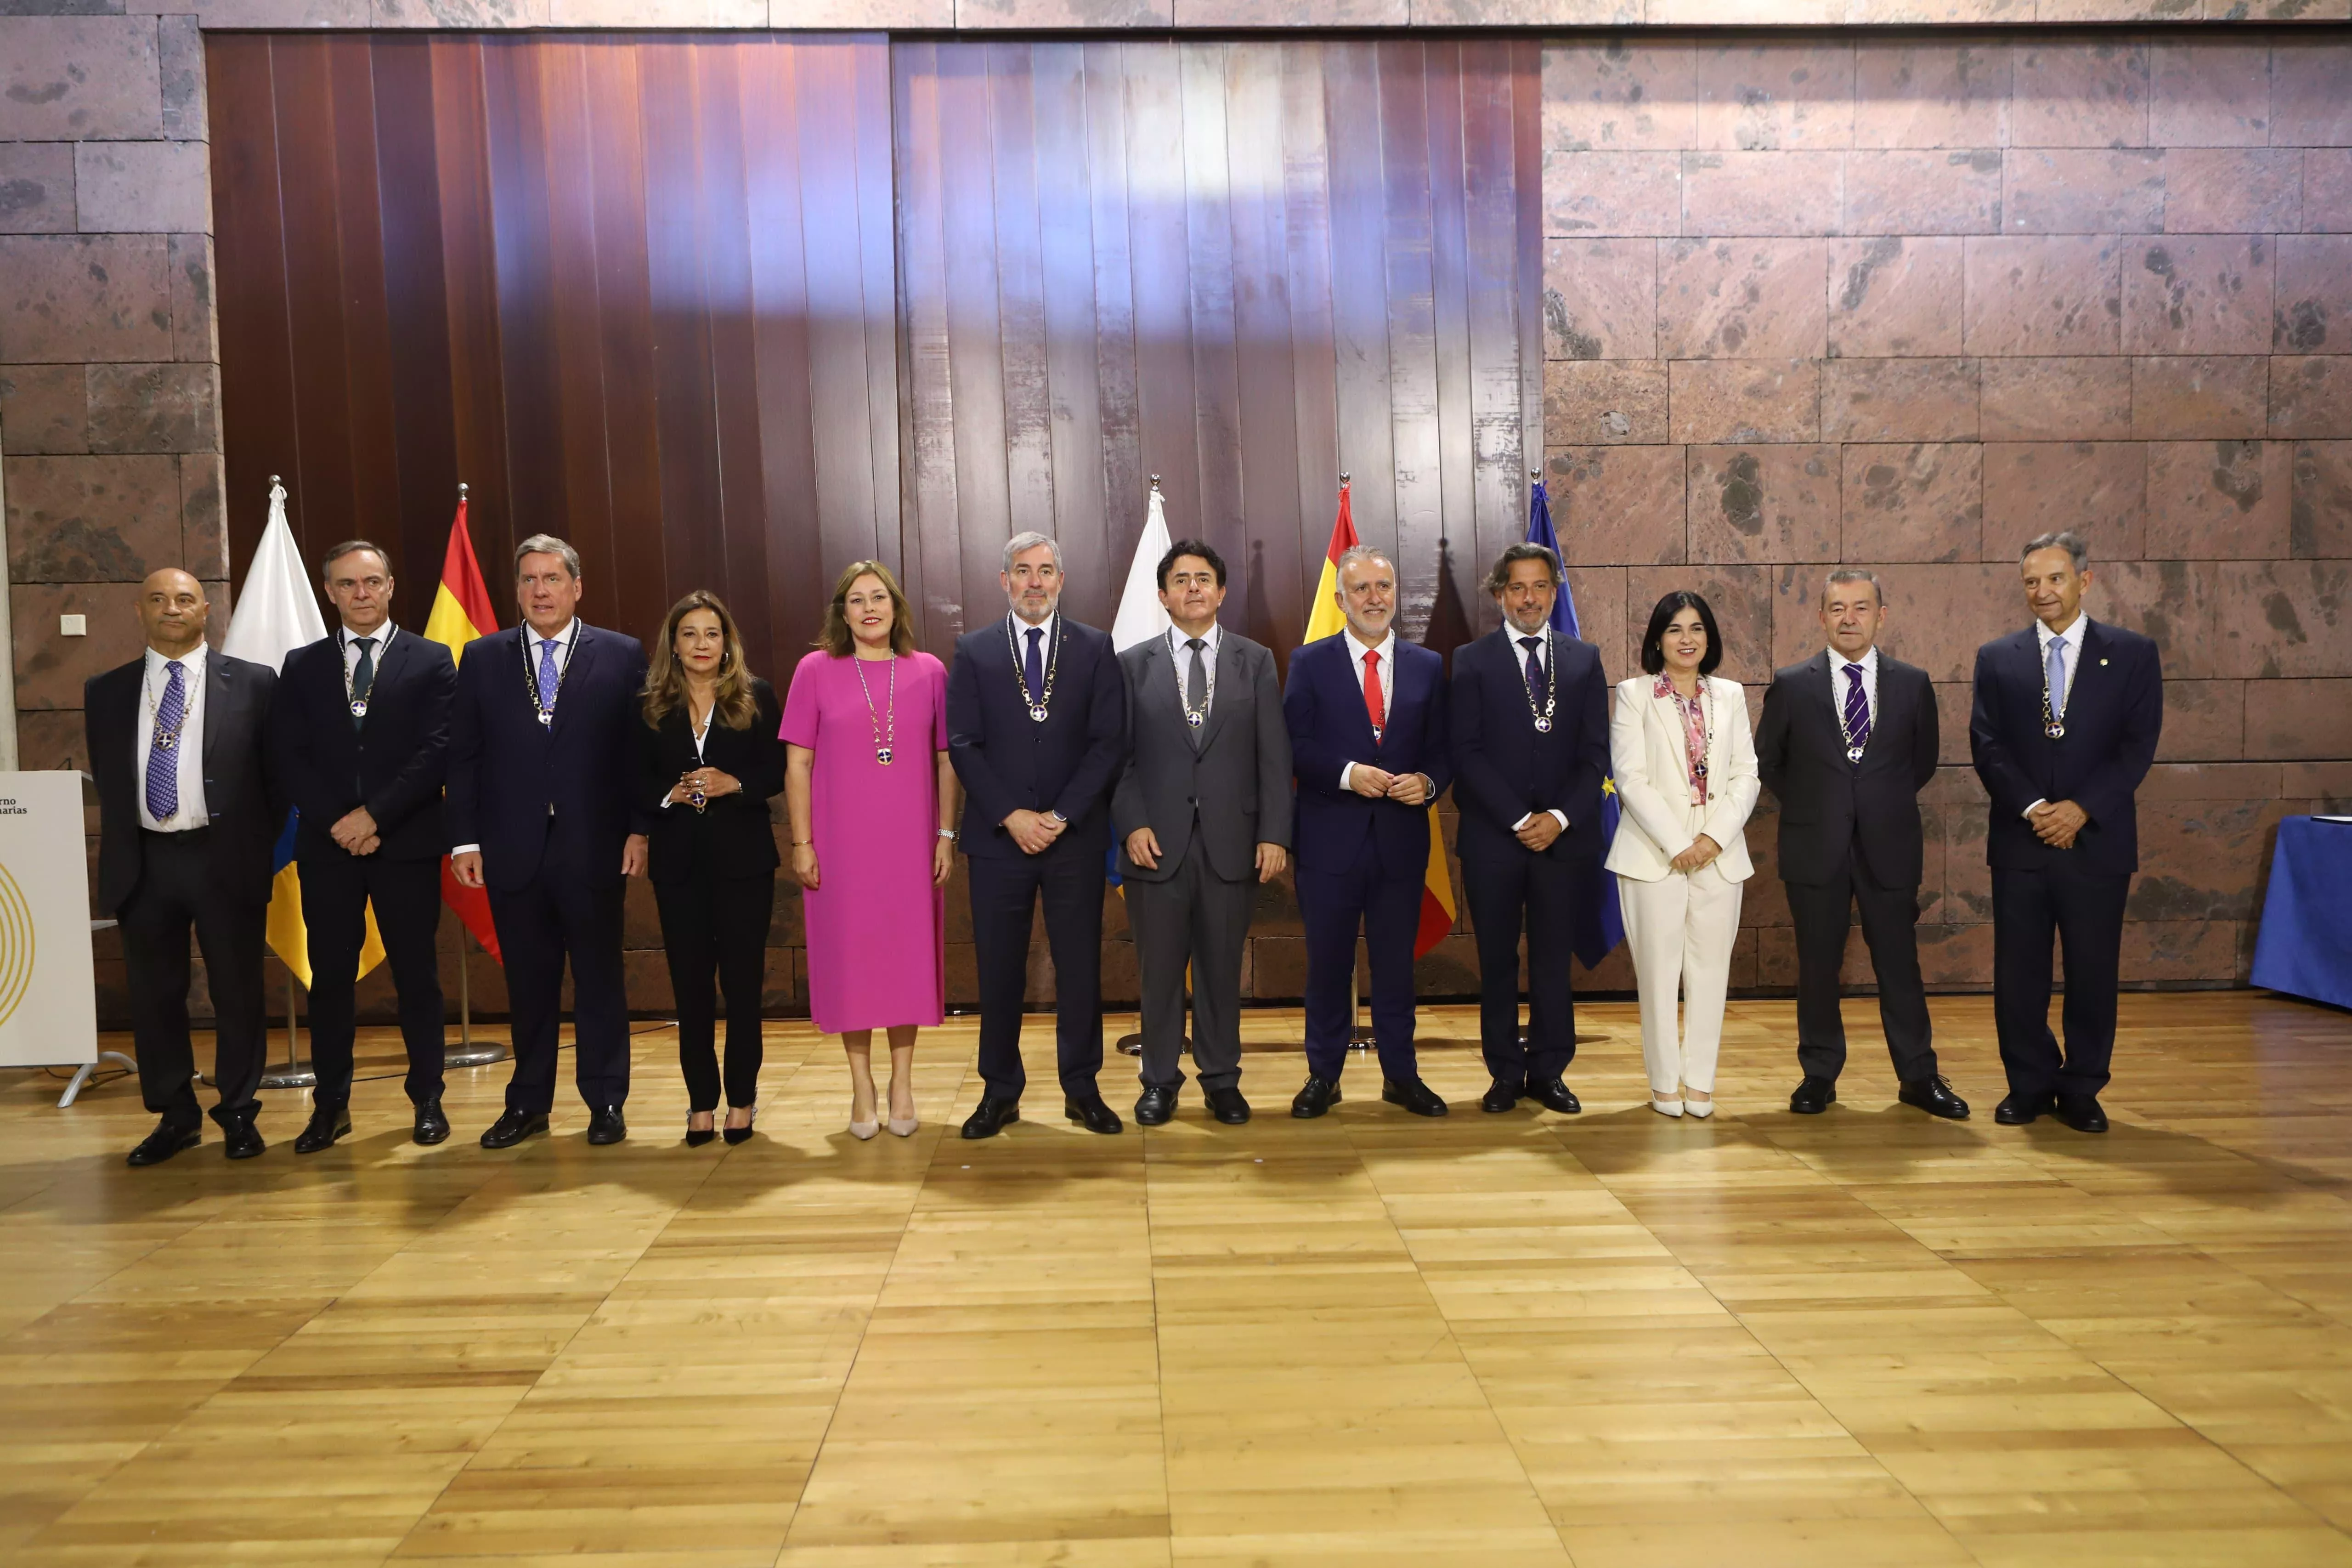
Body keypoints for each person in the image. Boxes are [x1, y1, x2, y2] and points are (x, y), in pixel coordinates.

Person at [447, 534, 650, 1149]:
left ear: (577, 587)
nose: (541, 590)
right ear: (517, 590)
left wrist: (640, 828)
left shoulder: (621, 654)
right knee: (529, 984)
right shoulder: (483, 658)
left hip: (595, 844)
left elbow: (637, 755)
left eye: (553, 578)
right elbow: (465, 757)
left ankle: (606, 1101)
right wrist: (464, 841)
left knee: (598, 980)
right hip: (512, 847)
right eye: (530, 580)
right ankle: (528, 1103)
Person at [1970, 530, 2162, 1135]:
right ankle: (2028, 1084)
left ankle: (2082, 1087)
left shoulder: (2132, 653)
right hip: (2021, 840)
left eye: (2054, 578)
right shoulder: (1997, 657)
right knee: (2019, 973)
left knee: (2092, 970)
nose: (2042, 591)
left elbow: (2137, 747)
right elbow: (1988, 743)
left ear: (2086, 579)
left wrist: (2080, 808)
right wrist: (2034, 807)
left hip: (2097, 841)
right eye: (2031, 581)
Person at [1756, 569, 1966, 1121]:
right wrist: (1818, 803)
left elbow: (1919, 763)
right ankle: (1818, 1073)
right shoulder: (1792, 682)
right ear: (1820, 616)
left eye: (1860, 607)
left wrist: (1871, 802)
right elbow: (1769, 761)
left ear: (1881, 615)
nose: (1848, 618)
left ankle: (1918, 1075)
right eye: (1837, 608)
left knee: (1899, 964)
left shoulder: (1912, 682)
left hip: (1888, 845)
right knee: (1817, 965)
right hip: (1813, 845)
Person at [87, 568, 281, 1165]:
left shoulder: (254, 683)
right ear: (139, 611)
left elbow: (275, 783)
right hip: (143, 861)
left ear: (206, 611)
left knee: (237, 991)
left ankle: (239, 1113)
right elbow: (114, 784)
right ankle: (175, 1116)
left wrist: (251, 843)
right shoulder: (107, 690)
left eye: (184, 598)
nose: (172, 607)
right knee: (154, 995)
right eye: (158, 598)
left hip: (224, 858)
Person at [270, 541, 458, 1153]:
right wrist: (340, 821)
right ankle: (331, 1106)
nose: (361, 594)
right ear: (329, 592)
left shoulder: (431, 660)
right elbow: (290, 757)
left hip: (404, 841)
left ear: (391, 585)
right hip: (329, 848)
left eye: (372, 581)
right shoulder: (301, 666)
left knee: (417, 976)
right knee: (329, 980)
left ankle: (427, 1098)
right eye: (348, 584)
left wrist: (375, 815)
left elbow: (437, 751)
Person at [946, 532, 1127, 1139]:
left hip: (1074, 838)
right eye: (1022, 571)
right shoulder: (973, 650)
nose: (1034, 582)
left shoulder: (1096, 648)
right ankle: (1000, 1091)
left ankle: (1083, 1088)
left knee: (1080, 967)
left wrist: (1062, 815)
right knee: (1000, 970)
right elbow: (963, 744)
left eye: (1046, 571)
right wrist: (1013, 816)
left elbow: (1108, 742)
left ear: (1061, 580)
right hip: (999, 840)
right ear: (1005, 581)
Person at [1113, 539, 1292, 1127]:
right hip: (1154, 845)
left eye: (1204, 578)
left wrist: (1274, 833)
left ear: (1221, 591)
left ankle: (1221, 1081)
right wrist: (1132, 822)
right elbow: (1117, 759)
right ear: (1162, 595)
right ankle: (1159, 1081)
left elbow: (1273, 754)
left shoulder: (1255, 659)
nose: (1193, 588)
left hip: (1231, 844)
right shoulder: (1130, 663)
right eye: (1181, 579)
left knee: (1220, 970)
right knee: (1159, 972)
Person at [782, 561, 958, 1140]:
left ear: (896, 605)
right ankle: (862, 1086)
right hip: (840, 846)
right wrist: (802, 841)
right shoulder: (814, 669)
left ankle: (903, 1083)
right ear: (842, 613)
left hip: (910, 843)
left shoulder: (928, 670)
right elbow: (798, 763)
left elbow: (945, 759)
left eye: (878, 596)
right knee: (851, 965)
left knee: (905, 962)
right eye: (855, 600)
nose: (868, 608)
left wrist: (946, 834)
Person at [1283, 544, 1453, 1120]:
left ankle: (1400, 1076)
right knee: (1328, 964)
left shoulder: (1427, 664)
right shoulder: (1309, 662)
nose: (1374, 598)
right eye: (1361, 589)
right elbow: (1295, 747)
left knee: (1395, 967)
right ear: (1341, 599)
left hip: (1401, 844)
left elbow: (1443, 749)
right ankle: (1322, 1077)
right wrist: (1348, 775)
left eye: (1383, 586)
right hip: (1328, 843)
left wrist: (1428, 783)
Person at [1448, 543, 1608, 1116]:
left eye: (1540, 586)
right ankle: (1503, 1073)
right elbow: (1463, 753)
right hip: (1495, 839)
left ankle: (1548, 1071)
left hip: (1563, 841)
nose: (1529, 598)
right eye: (1516, 587)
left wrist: (1558, 818)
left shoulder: (1583, 659)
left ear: (1554, 592)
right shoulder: (1470, 660)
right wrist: (1519, 819)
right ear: (1499, 595)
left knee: (1550, 960)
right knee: (1496, 960)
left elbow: (1595, 755)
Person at [638, 591, 785, 1147]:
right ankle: (701, 1102)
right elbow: (628, 776)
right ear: (673, 645)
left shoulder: (757, 696)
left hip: (745, 863)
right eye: (690, 634)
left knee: (743, 986)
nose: (702, 644)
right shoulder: (649, 704)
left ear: (728, 644)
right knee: (690, 987)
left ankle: (741, 1100)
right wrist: (664, 794)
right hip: (677, 865)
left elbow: (776, 768)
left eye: (712, 634)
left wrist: (736, 784)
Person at [1606, 591, 1759, 1118]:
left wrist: (1711, 839)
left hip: (1719, 849)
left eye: (1696, 628)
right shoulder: (1632, 694)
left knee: (1710, 972)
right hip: (1654, 851)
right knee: (1657, 973)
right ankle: (1663, 1083)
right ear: (1656, 638)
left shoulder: (1731, 695)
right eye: (1674, 629)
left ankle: (1699, 1081)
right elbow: (1630, 777)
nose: (1687, 638)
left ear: (1709, 637)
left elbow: (1746, 774)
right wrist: (1679, 844)